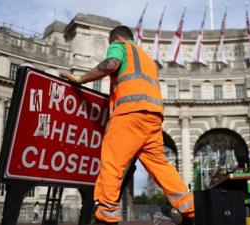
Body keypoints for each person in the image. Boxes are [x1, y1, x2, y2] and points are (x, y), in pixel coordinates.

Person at [60, 26, 195, 225]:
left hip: (129, 113)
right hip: (154, 118)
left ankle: (106, 215)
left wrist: (81, 79)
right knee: (161, 168)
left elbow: (112, 64)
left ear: (116, 38)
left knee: (112, 162)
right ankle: (191, 210)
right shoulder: (147, 59)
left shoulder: (119, 46)